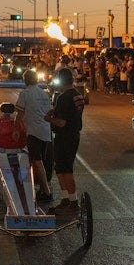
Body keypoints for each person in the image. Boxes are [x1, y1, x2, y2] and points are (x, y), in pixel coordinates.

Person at [45, 67, 85, 215]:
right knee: (61, 168)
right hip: (74, 135)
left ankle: (73, 202)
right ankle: (65, 199)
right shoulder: (78, 95)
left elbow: (62, 122)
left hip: (64, 137)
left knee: (66, 169)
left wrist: (49, 119)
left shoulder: (63, 98)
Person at [15, 70, 54, 202]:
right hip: (46, 131)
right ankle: (42, 189)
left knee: (37, 161)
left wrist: (16, 129)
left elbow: (20, 114)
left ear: (25, 80)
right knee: (40, 160)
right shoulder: (44, 94)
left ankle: (47, 192)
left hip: (33, 131)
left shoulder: (25, 93)